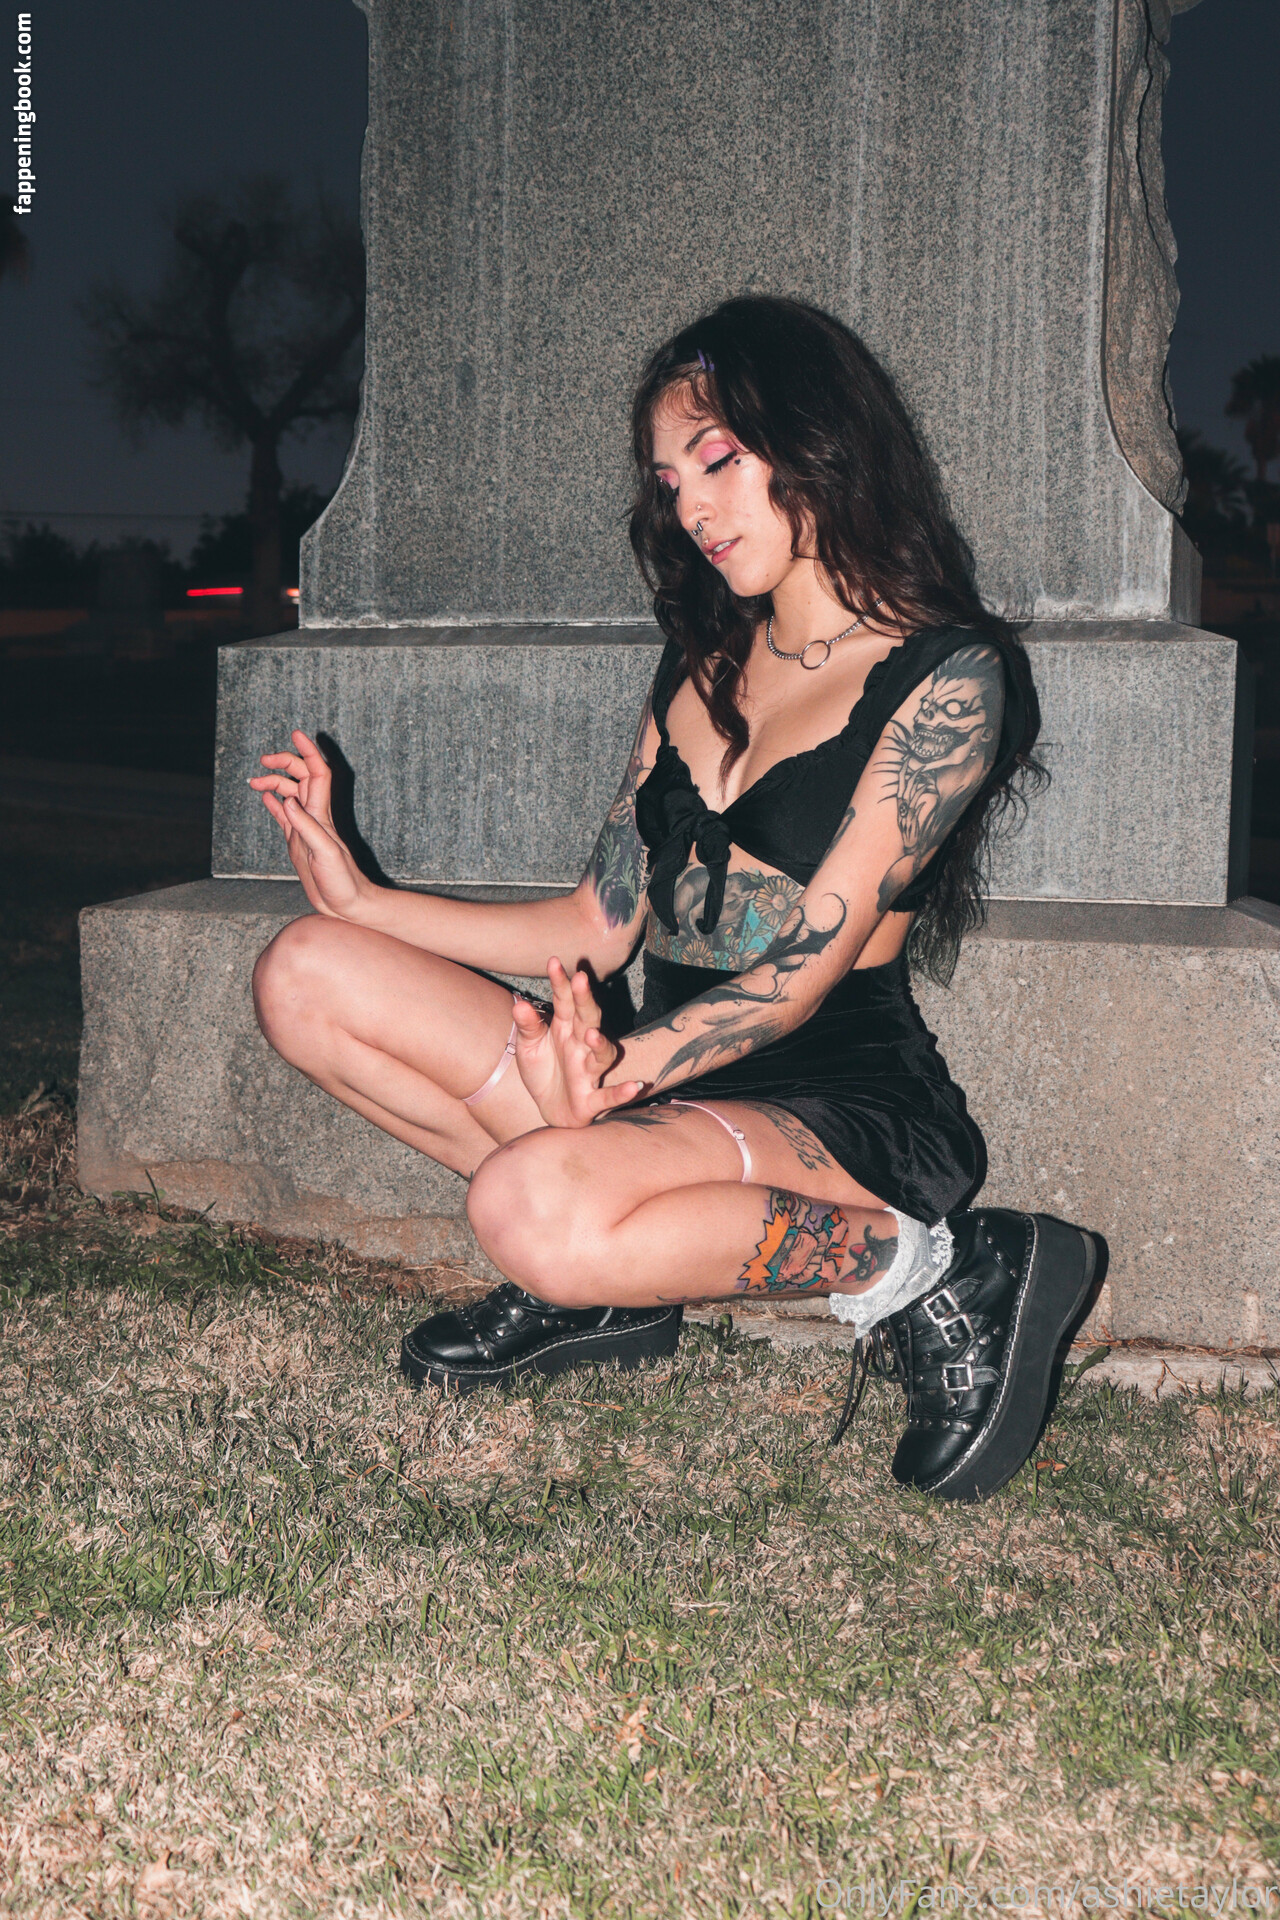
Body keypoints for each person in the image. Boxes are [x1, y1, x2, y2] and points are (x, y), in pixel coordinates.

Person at [249, 296, 1100, 1504]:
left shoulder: (947, 673)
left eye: (718, 461)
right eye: (669, 481)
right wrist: (362, 900)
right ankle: (610, 1289)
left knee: (523, 1207)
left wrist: (617, 1072)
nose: (692, 508)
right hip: (659, 1080)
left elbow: (799, 972)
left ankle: (930, 1272)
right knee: (303, 973)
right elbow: (594, 926)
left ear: (817, 441)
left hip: (836, 1101)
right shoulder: (699, 664)